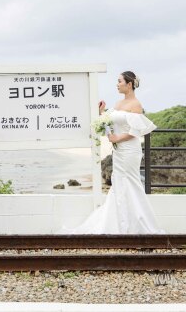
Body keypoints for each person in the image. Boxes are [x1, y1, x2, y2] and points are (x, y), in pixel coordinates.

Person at [70, 70, 164, 234]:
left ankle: (138, 223)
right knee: (119, 183)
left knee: (131, 183)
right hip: (119, 151)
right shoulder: (119, 104)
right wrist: (103, 112)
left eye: (120, 81)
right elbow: (111, 121)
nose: (117, 84)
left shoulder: (136, 105)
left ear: (129, 84)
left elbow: (136, 131)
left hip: (129, 150)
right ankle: (119, 223)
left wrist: (117, 139)